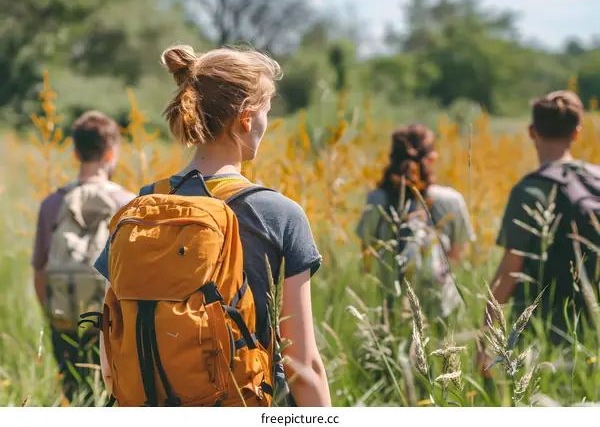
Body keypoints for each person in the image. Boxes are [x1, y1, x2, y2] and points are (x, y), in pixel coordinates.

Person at [94, 44, 331, 407]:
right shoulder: (279, 214)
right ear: (247, 117)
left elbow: (111, 357)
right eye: (267, 111)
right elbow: (302, 364)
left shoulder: (141, 208)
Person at [479, 90, 600, 371]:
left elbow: (510, 269)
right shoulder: (597, 178)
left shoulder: (530, 190)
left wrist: (485, 337)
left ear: (532, 131)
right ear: (577, 133)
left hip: (545, 328)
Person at [32, 111, 135, 403]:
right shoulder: (128, 204)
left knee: (75, 396)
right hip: (112, 325)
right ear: (112, 152)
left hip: (64, 320)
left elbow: (40, 271)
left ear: (76, 152)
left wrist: (54, 316)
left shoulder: (52, 204)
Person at [356, 124, 475, 318]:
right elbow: (458, 255)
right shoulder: (452, 200)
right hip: (440, 305)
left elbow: (367, 257)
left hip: (391, 304)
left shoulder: (377, 199)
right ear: (432, 158)